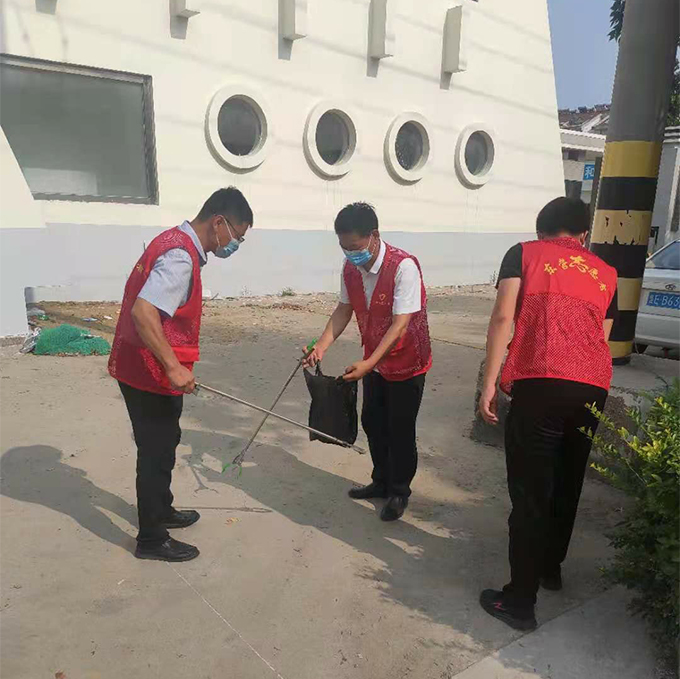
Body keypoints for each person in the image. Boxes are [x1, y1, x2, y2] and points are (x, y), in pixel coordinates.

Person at [478, 197, 618, 630]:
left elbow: (503, 317)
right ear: (583, 235)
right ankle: (549, 569)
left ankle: (520, 602)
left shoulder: (524, 254)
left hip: (541, 381)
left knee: (530, 493)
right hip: (592, 387)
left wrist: (489, 382)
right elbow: (602, 335)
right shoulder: (606, 272)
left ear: (541, 230)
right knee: (566, 481)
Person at [109, 187, 253, 562]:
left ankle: (162, 510)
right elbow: (144, 312)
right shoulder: (180, 257)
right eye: (236, 236)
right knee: (155, 452)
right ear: (218, 222)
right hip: (148, 371)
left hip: (145, 366)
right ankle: (151, 539)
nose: (234, 245)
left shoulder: (175, 241)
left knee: (166, 441)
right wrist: (173, 367)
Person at [304, 202, 432, 521]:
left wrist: (368, 363)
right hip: (374, 359)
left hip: (407, 361)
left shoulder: (403, 267)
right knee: (373, 421)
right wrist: (320, 346)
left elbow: (400, 324)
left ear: (374, 235)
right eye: (344, 248)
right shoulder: (351, 268)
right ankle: (381, 481)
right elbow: (344, 309)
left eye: (355, 247)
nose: (351, 254)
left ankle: (399, 491)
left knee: (400, 428)